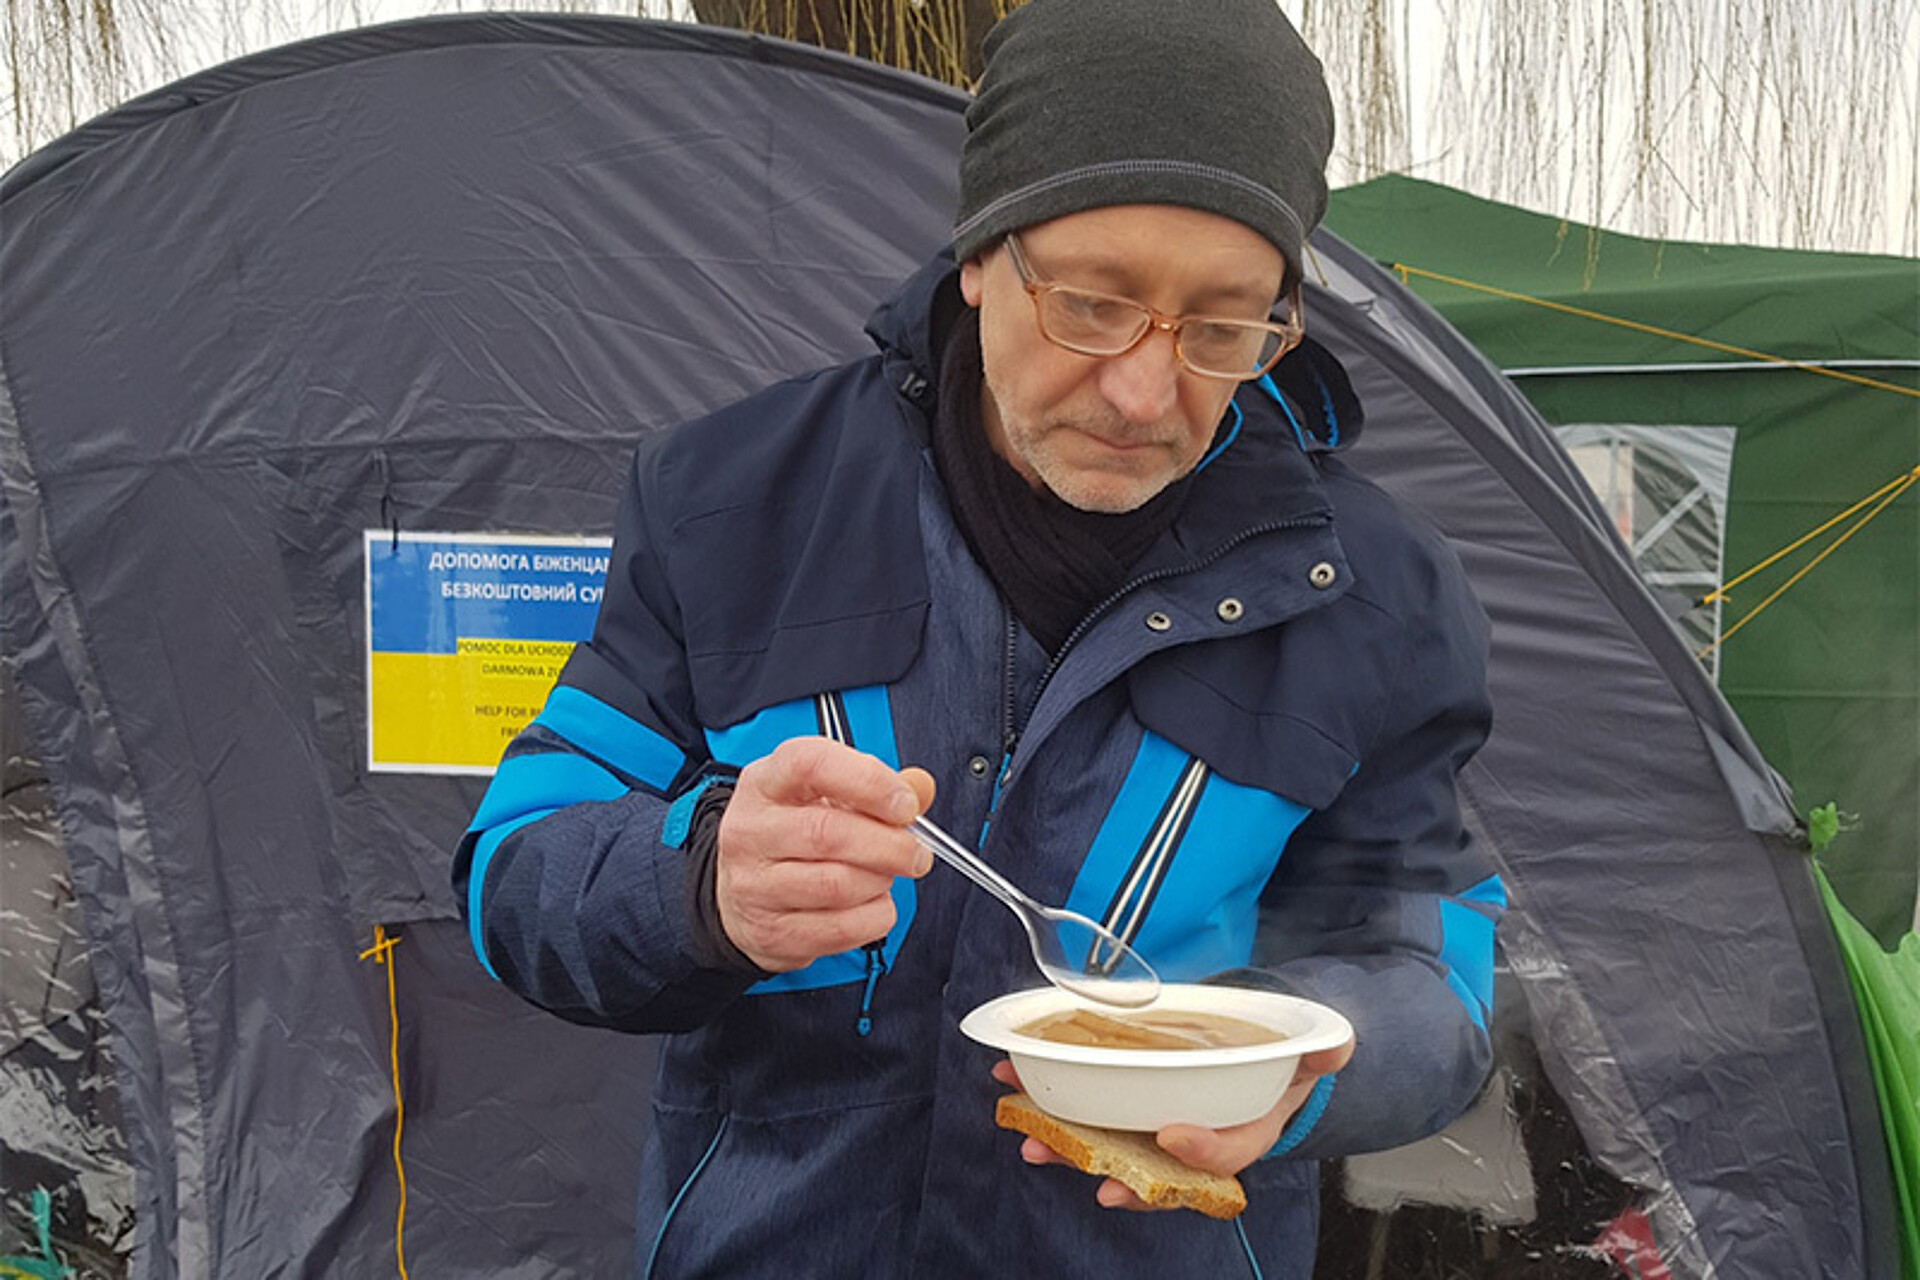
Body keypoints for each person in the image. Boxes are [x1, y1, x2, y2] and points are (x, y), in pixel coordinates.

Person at [453, 0, 1505, 1275]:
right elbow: (519, 865)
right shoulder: (731, 500)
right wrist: (702, 881)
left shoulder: (1376, 589)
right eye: (1092, 303)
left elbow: (1433, 975)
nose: (1141, 389)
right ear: (978, 255)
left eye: (1223, 327)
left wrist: (1305, 1057)